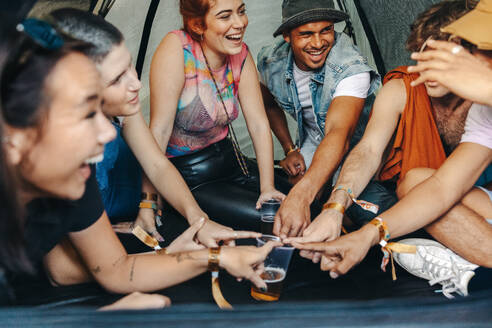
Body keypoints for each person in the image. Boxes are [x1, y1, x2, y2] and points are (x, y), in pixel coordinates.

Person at [1, 18, 279, 303]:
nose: (109, 132)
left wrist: (208, 253)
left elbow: (114, 268)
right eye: (85, 115)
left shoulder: (75, 172)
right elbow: (62, 272)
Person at [292, 0, 492, 298]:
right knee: (409, 185)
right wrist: (361, 232)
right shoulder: (415, 91)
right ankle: (463, 256)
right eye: (424, 53)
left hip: (476, 191)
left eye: (445, 56)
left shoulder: (482, 98)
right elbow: (436, 185)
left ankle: (463, 255)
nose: (428, 67)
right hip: (466, 195)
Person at [50, 8, 256, 247]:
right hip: (102, 219)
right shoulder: (57, 154)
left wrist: (197, 220)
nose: (136, 84)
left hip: (144, 198)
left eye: (130, 67)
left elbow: (157, 164)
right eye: (117, 79)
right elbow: (65, 270)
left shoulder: (127, 108)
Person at [147, 0, 288, 232]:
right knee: (275, 220)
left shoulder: (240, 53)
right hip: (189, 177)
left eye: (241, 12)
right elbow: (158, 132)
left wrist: (267, 187)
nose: (240, 23)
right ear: (197, 25)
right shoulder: (177, 49)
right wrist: (149, 201)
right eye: (225, 16)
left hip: (231, 161)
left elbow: (258, 124)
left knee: (301, 204)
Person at [257, 0, 380, 238]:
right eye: (306, 34)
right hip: (314, 138)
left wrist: (303, 195)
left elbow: (339, 134)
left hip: (360, 144)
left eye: (326, 30)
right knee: (295, 186)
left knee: (352, 210)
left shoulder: (350, 67)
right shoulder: (270, 61)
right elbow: (268, 104)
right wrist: (289, 148)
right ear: (286, 36)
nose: (317, 43)